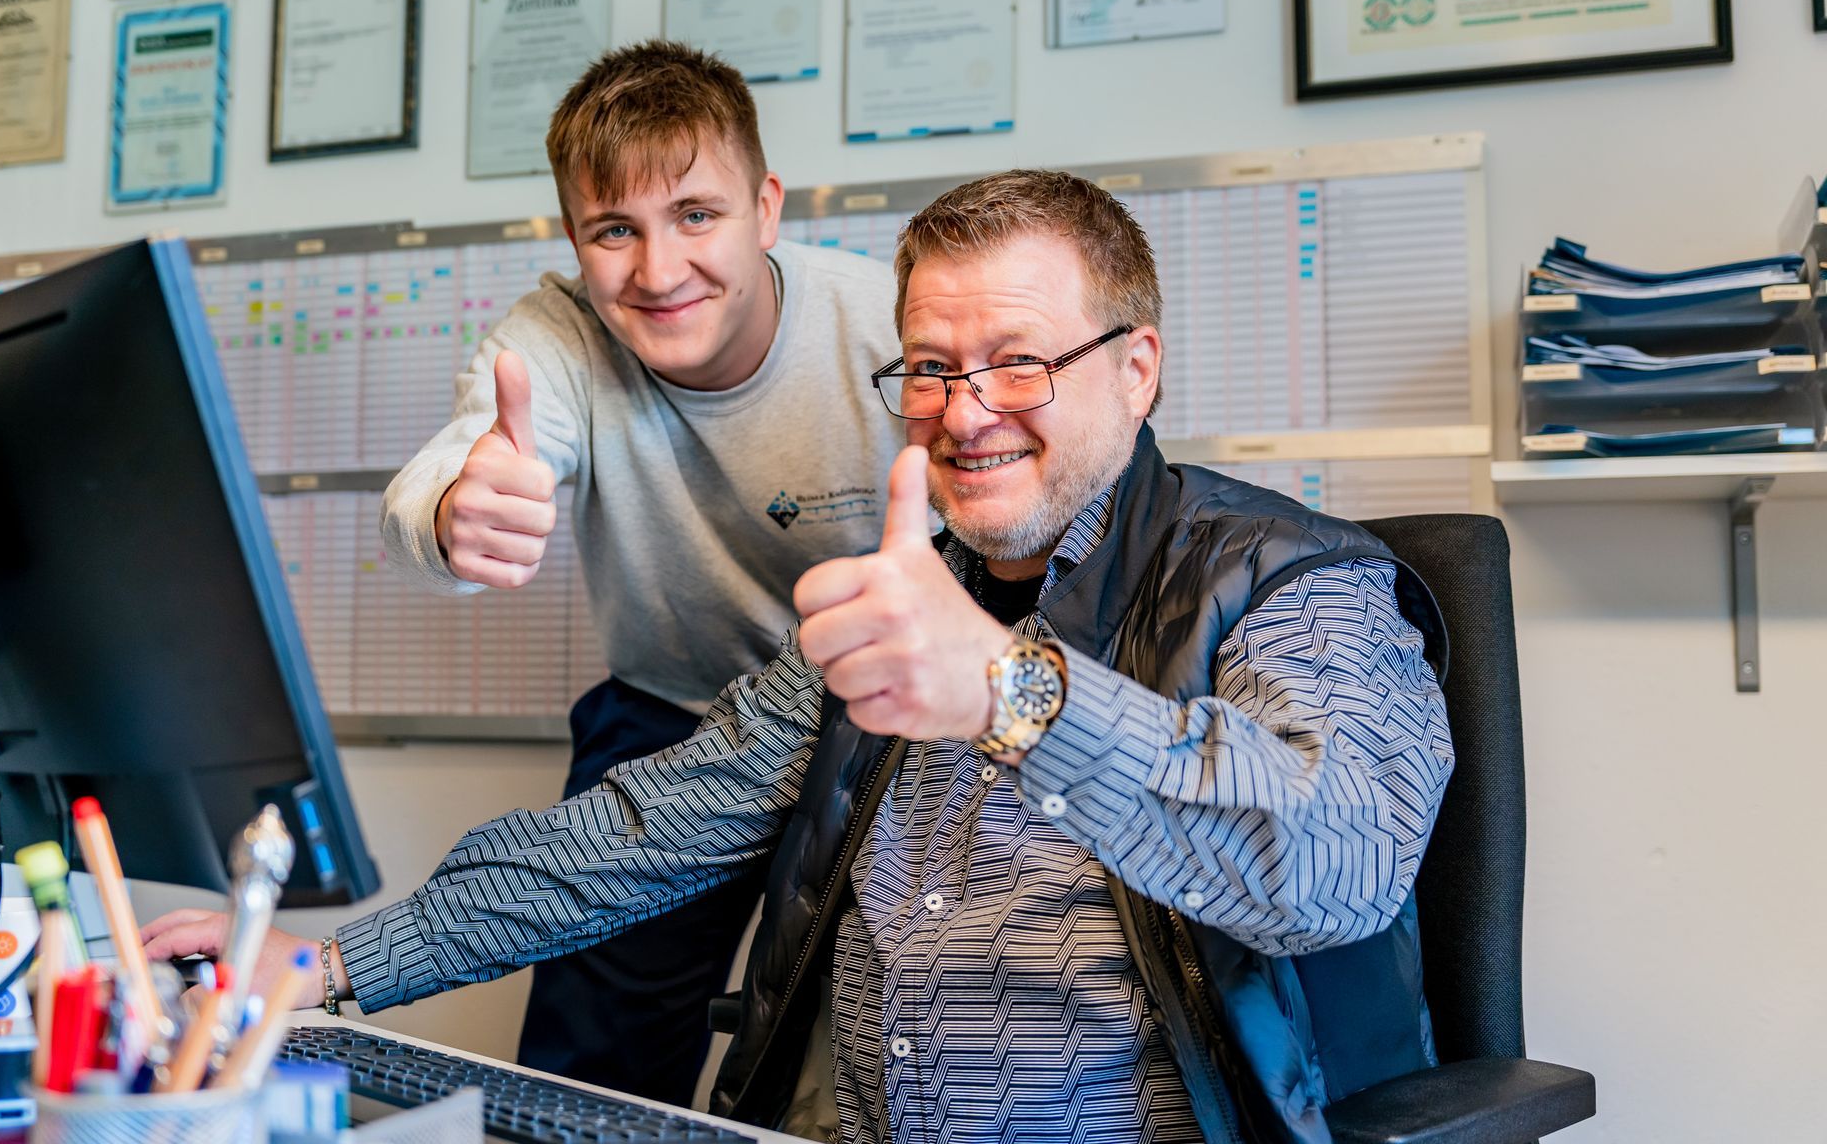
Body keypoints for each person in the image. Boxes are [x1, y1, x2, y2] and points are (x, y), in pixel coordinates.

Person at [146, 169, 1453, 1142]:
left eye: (1018, 363)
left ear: (1137, 369)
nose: (966, 409)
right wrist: (329, 967)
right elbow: (640, 830)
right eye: (932, 368)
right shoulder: (899, 601)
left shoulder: (1298, 584)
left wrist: (1013, 694)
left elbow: (1332, 865)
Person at [338, 39, 905, 1104]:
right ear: (574, 240)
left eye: (697, 213)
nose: (657, 268)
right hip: (670, 719)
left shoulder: (885, 327)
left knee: (869, 1061)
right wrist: (460, 508)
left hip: (875, 730)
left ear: (767, 208)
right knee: (588, 1067)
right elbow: (459, 457)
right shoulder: (554, 339)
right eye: (615, 229)